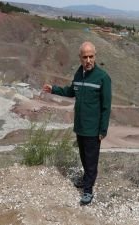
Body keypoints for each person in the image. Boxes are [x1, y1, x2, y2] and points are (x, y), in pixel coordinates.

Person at [43, 41, 112, 205]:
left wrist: (103, 129)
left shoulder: (103, 78)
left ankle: (88, 190)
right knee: (83, 156)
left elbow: (106, 106)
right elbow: (70, 91)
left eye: (91, 56)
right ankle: (86, 179)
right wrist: (53, 89)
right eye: (85, 57)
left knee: (91, 159)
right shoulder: (78, 74)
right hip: (80, 126)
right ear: (80, 58)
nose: (88, 60)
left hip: (93, 129)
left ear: (95, 56)